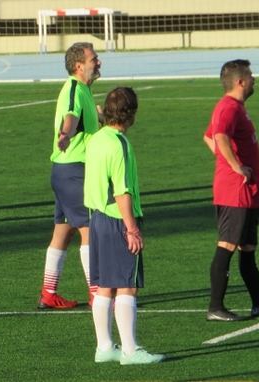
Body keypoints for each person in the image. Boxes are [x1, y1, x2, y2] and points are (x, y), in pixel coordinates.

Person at [202, 59, 259, 322]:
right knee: (227, 245)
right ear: (240, 81)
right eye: (251, 75)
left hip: (248, 192)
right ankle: (215, 307)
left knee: (248, 248)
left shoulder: (237, 108)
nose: (254, 79)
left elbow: (208, 136)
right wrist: (236, 167)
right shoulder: (228, 107)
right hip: (234, 193)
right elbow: (218, 137)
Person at [84, 87, 164, 365]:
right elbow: (122, 190)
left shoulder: (96, 139)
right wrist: (132, 228)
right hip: (118, 219)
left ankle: (104, 347)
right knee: (127, 287)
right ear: (130, 115)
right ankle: (130, 351)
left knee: (105, 286)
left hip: (97, 219)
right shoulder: (119, 144)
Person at [38, 42, 101, 309]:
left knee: (62, 232)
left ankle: (48, 293)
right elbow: (71, 118)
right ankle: (97, 293)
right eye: (94, 59)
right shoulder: (75, 88)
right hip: (74, 170)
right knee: (90, 230)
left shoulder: (83, 89)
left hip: (64, 171)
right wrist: (66, 135)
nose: (98, 63)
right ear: (79, 65)